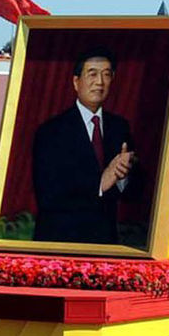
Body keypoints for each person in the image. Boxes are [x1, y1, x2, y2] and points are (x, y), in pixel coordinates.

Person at [32, 47, 140, 244]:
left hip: (106, 243)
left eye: (106, 75)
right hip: (61, 242)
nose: (99, 82)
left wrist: (122, 176)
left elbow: (134, 194)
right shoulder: (51, 132)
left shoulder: (120, 127)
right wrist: (99, 183)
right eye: (92, 74)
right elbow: (48, 195)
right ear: (76, 82)